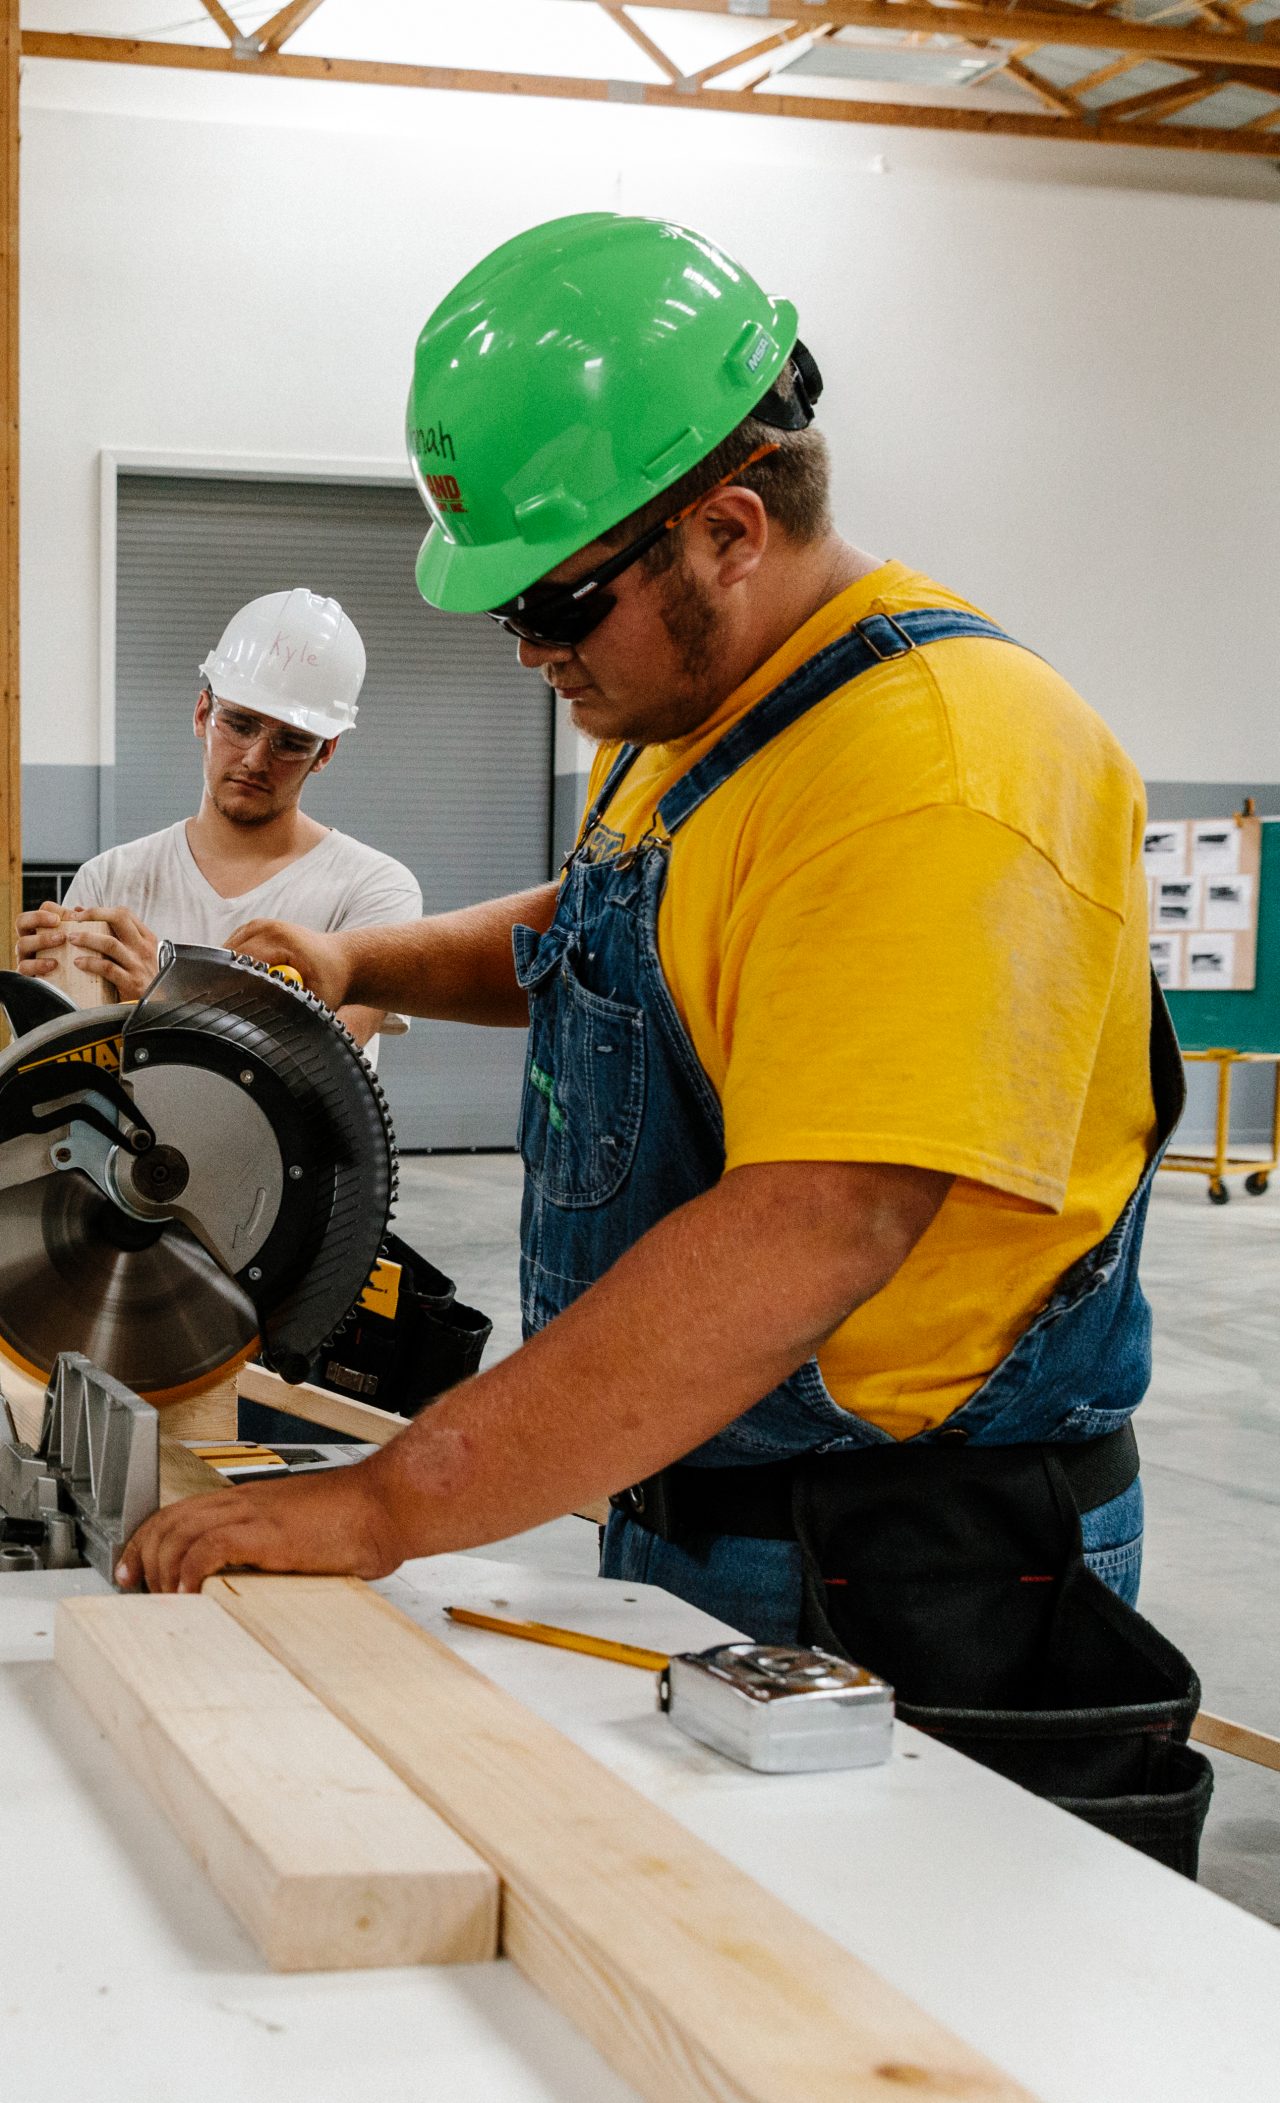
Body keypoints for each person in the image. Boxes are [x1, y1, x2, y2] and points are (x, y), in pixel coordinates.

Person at [120, 218, 1181, 1706]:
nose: (525, 650)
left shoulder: (939, 768)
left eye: (553, 602)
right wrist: (365, 955)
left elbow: (818, 1221)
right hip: (709, 1492)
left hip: (911, 1565)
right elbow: (615, 925)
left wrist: (390, 1498)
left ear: (732, 531)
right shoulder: (718, 721)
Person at [17, 588, 421, 1050]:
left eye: (290, 742)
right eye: (240, 724)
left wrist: (168, 994)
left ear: (324, 752)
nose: (255, 759)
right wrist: (38, 1003)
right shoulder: (111, 879)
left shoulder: (375, 891)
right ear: (202, 712)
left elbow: (330, 1077)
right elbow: (72, 1075)